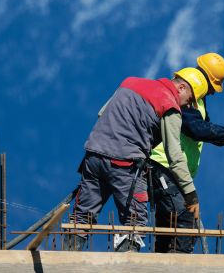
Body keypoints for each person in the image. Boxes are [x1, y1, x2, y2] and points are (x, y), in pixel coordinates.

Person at [64, 68, 209, 252]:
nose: (187, 106)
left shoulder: (130, 83)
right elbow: (175, 156)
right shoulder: (170, 105)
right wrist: (191, 195)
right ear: (181, 88)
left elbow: (103, 114)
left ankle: (66, 261)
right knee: (135, 223)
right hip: (125, 165)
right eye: (189, 100)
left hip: (94, 156)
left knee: (81, 218)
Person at [150, 53, 224, 253]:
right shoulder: (188, 96)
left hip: (173, 171)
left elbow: (204, 130)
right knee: (183, 217)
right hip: (164, 166)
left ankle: (163, 261)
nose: (214, 93)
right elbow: (196, 129)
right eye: (213, 88)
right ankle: (179, 265)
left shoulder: (197, 98)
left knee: (169, 223)